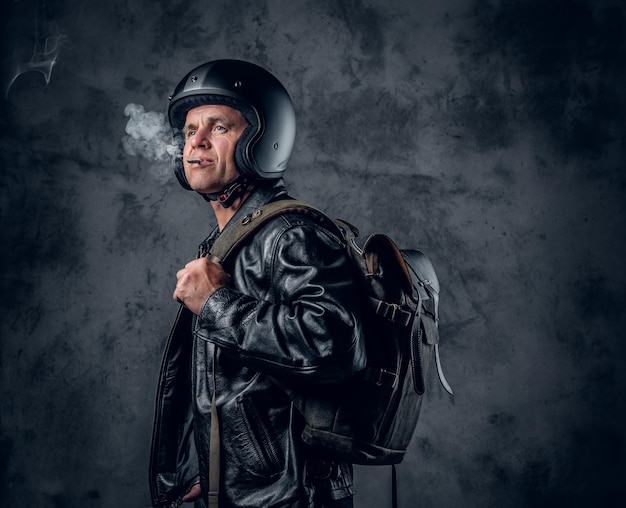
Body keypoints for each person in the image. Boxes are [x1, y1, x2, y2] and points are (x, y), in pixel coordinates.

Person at [148, 59, 366, 508]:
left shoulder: (290, 235)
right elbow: (235, 387)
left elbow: (336, 344)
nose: (198, 142)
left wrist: (215, 305)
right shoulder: (230, 240)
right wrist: (211, 474)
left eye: (219, 128)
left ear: (260, 142)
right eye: (189, 131)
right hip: (246, 495)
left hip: (294, 499)